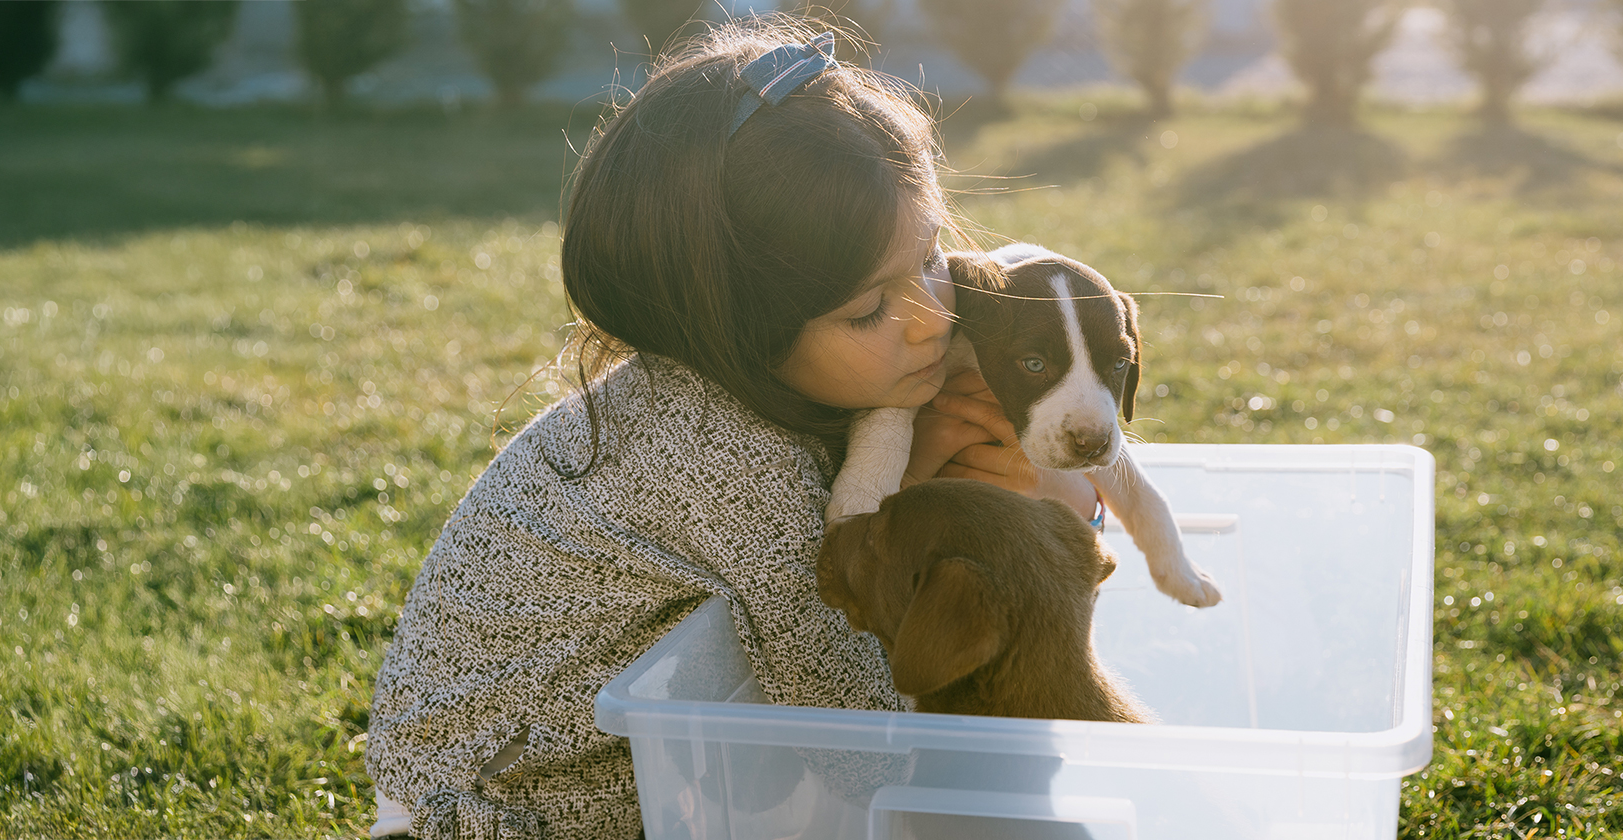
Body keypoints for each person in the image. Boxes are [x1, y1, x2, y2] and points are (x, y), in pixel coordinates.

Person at [364, 17, 1101, 840]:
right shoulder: (719, 459)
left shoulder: (856, 389)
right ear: (738, 335)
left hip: (682, 784)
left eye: (930, 258)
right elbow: (862, 748)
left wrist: (1053, 502)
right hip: (512, 810)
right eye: (867, 310)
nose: (932, 318)